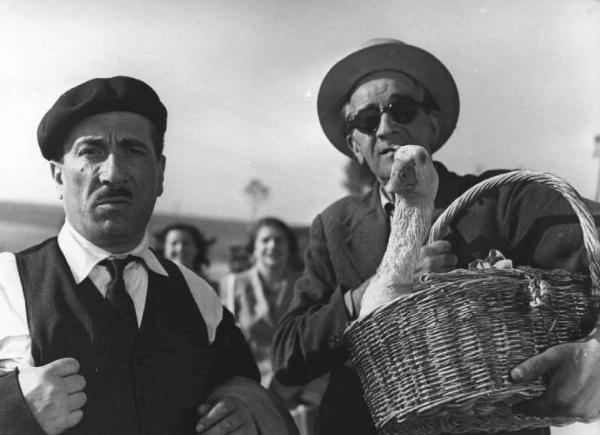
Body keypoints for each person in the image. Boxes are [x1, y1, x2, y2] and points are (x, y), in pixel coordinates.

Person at [272, 39, 600, 435]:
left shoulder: (502, 199)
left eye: (402, 109)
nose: (386, 127)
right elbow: (288, 354)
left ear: (433, 123)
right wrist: (369, 294)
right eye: (366, 120)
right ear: (354, 146)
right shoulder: (332, 224)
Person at [0, 76, 298, 435]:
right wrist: (14, 408)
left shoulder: (197, 294)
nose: (113, 173)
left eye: (133, 150)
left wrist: (244, 409)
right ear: (58, 177)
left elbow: (248, 389)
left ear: (160, 174)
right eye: (91, 151)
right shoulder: (8, 284)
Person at [221, 217, 327, 435]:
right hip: (247, 395)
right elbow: (222, 345)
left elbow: (318, 343)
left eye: (279, 240)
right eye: (265, 240)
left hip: (295, 396)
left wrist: (309, 399)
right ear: (254, 248)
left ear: (290, 248)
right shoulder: (233, 285)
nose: (272, 246)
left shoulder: (306, 287)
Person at [156, 222, 218, 287]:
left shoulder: (209, 286)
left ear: (197, 248)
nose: (180, 248)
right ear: (163, 248)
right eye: (174, 243)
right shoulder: (153, 283)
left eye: (185, 243)